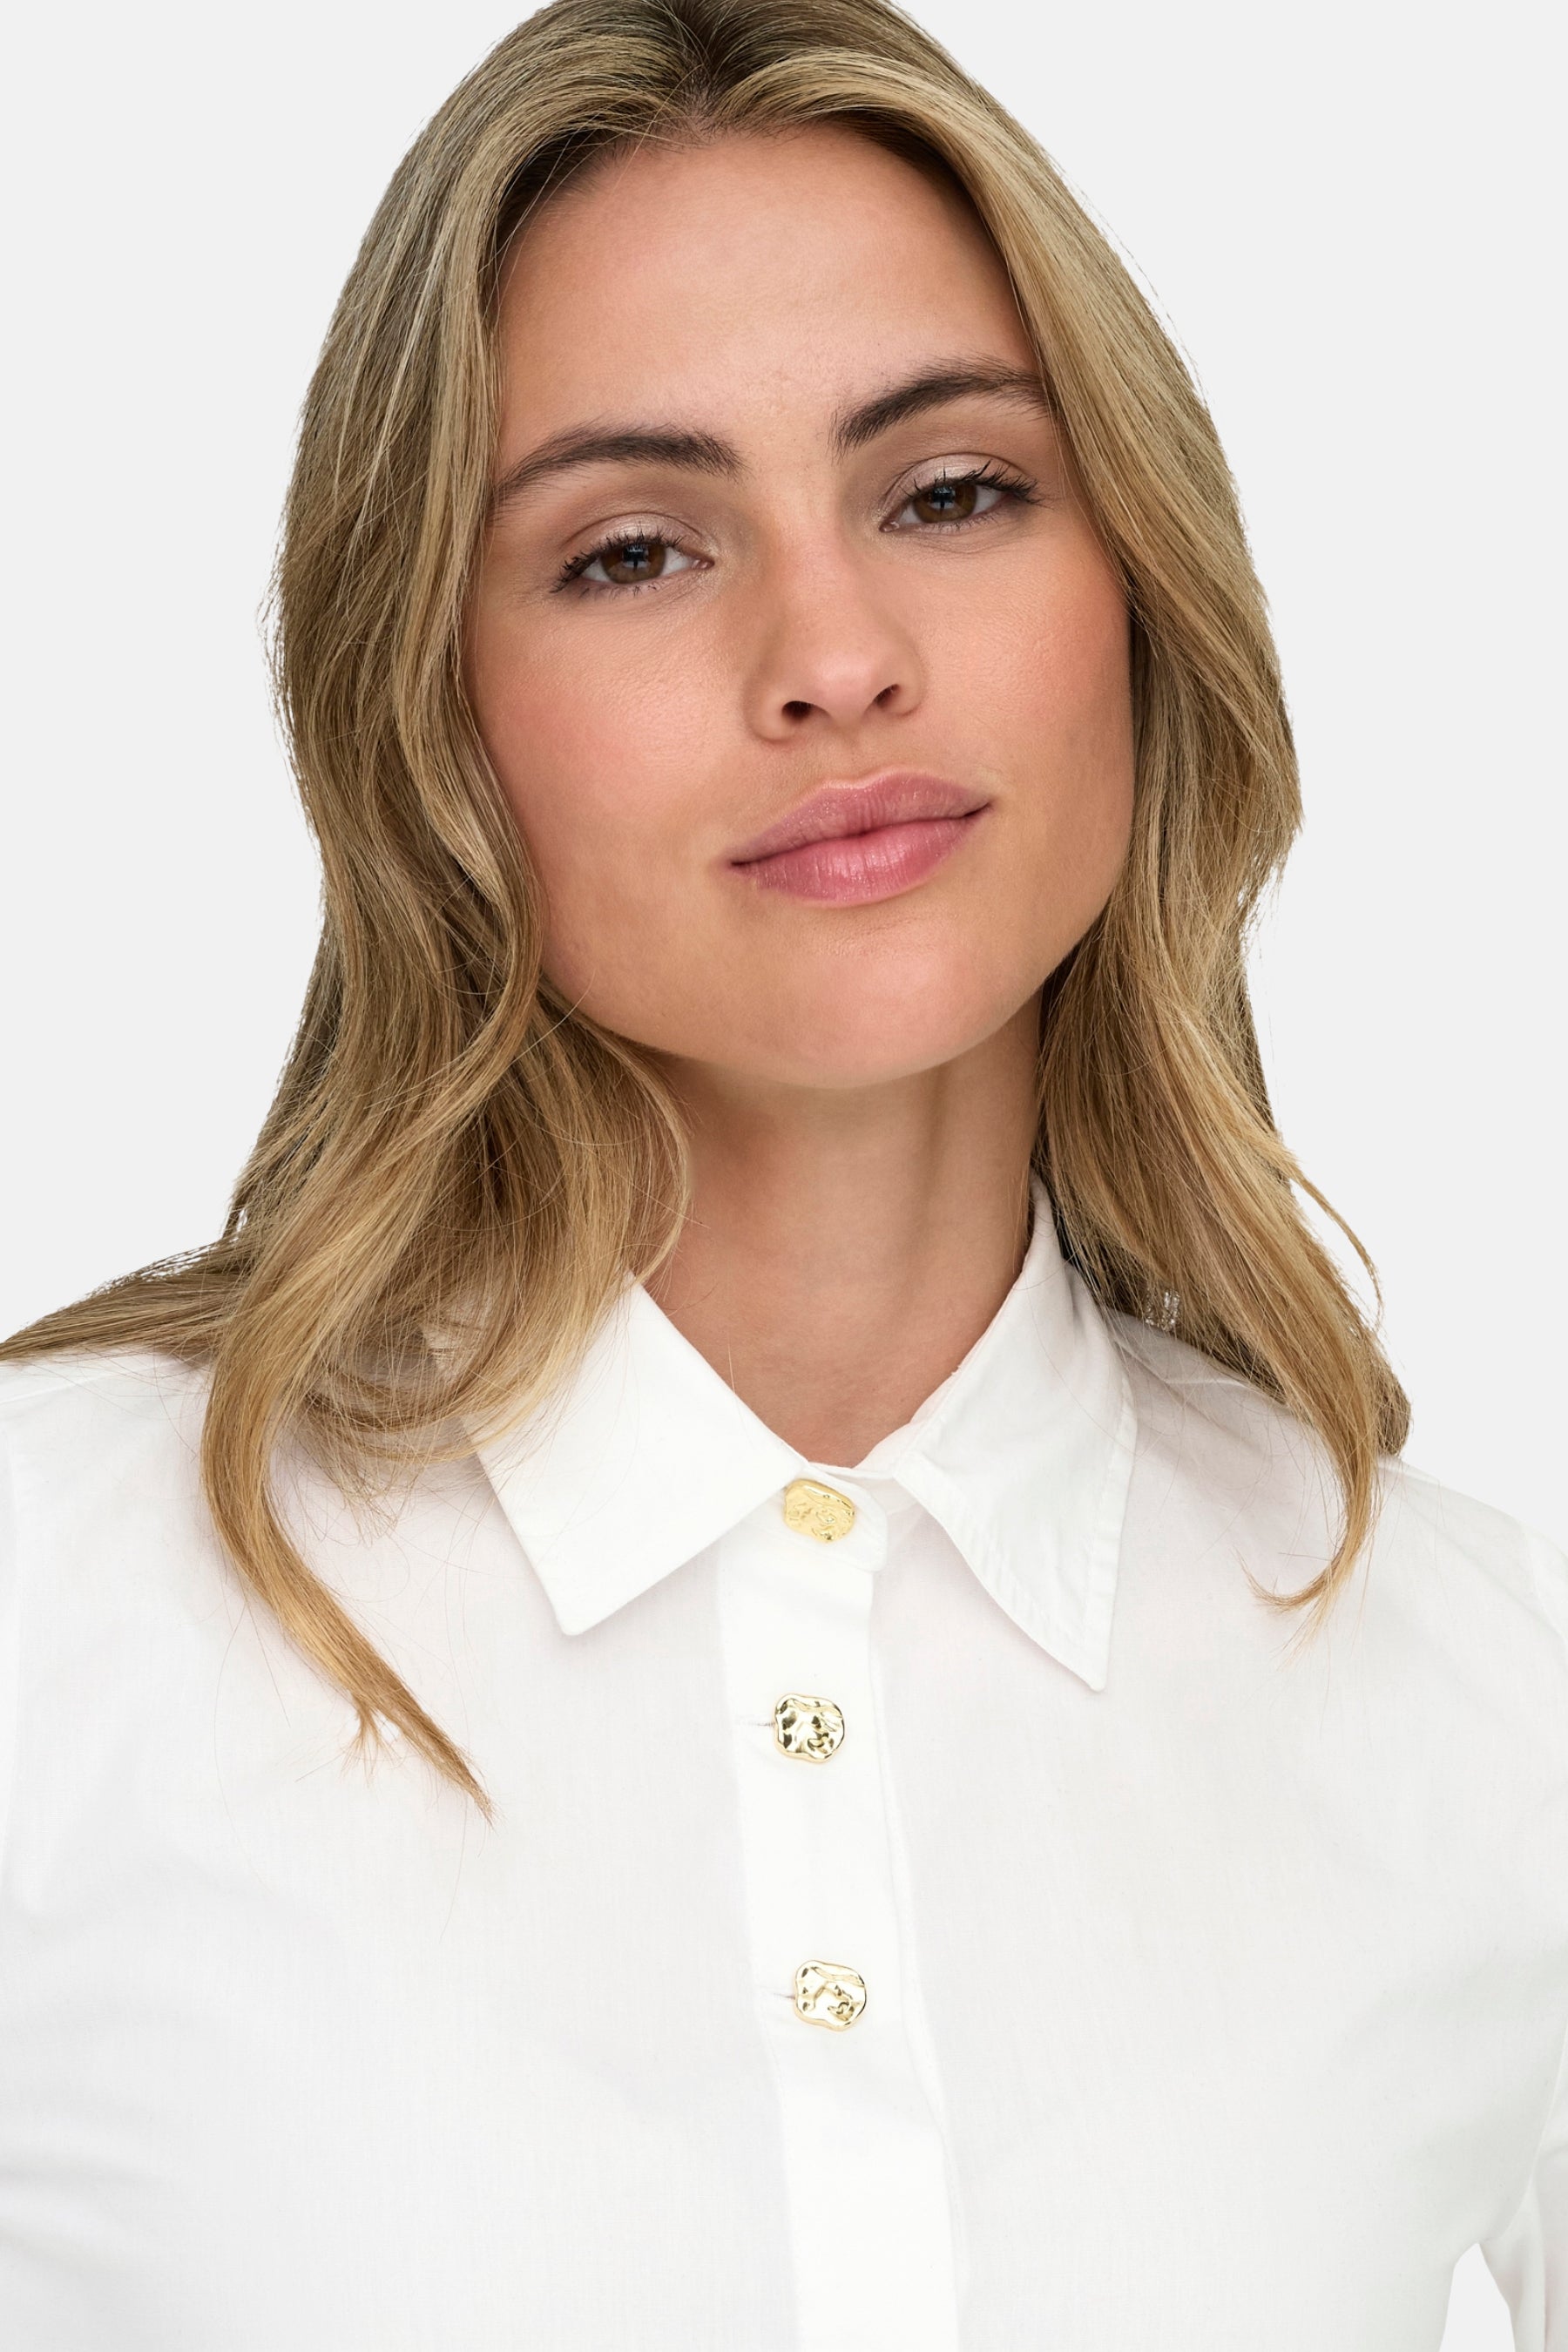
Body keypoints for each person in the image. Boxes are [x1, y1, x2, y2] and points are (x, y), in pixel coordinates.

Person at [0, 0, 1562, 2344]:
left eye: (951, 494)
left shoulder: (1472, 1691)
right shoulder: (55, 1615)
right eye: (634, 550)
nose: (834, 657)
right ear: (425, 707)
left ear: (1140, 585)